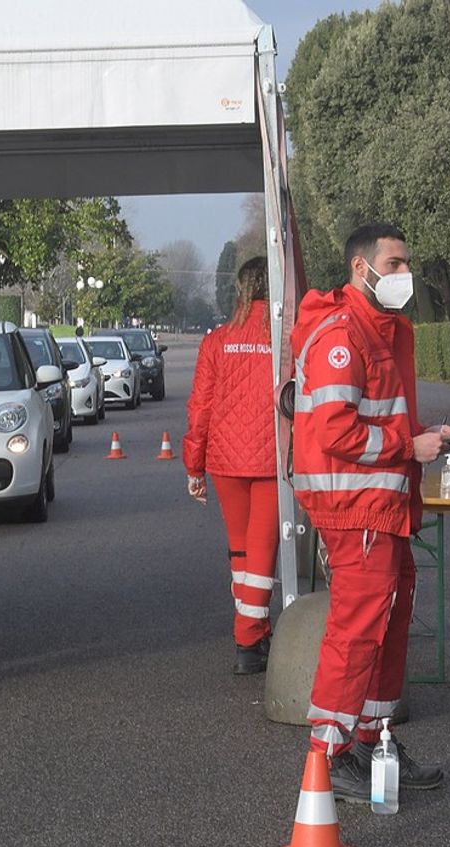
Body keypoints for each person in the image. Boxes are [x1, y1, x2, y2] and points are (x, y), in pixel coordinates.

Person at [288, 223, 450, 802]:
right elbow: (335, 429)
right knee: (358, 628)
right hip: (354, 507)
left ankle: (374, 742)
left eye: (407, 263)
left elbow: (369, 417)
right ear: (362, 269)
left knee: (388, 616)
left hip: (379, 504)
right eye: (395, 263)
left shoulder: (377, 327)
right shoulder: (343, 333)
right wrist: (408, 446)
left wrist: (422, 436)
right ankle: (330, 755)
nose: (405, 274)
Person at [183, 256, 280, 675]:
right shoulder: (285, 339)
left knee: (240, 550)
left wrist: (194, 466)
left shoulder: (216, 341)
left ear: (240, 290)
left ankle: (253, 631)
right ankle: (248, 639)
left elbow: (199, 408)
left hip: (225, 459)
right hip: (271, 458)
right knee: (262, 550)